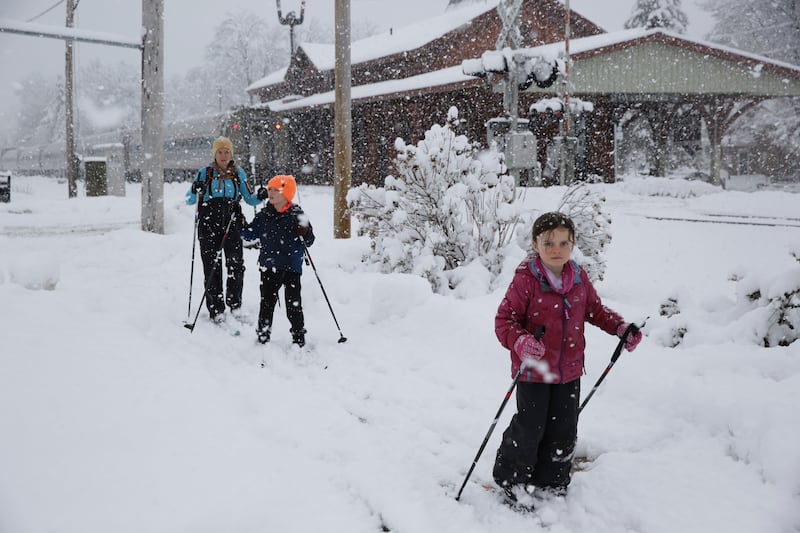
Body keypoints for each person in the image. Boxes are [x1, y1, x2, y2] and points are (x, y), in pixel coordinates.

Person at [492, 211, 642, 503]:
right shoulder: (527, 281)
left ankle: (552, 480)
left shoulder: (578, 278)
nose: (556, 249)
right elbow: (504, 321)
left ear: (573, 244)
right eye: (548, 243)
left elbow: (595, 311)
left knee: (563, 428)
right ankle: (513, 478)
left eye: (563, 243)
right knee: (530, 426)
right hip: (534, 371)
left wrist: (620, 327)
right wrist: (521, 341)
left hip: (569, 371)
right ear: (535, 244)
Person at [186, 136, 262, 322]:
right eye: (220, 151)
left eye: (226, 151)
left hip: (232, 222)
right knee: (212, 266)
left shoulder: (239, 173)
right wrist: (194, 189)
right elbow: (189, 198)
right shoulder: (205, 173)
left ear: (231, 153)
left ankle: (235, 304)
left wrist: (261, 196)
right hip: (208, 224)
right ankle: (216, 308)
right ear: (215, 153)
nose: (223, 155)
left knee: (236, 265)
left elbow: (249, 198)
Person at [239, 175, 315, 346]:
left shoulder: (297, 215)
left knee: (293, 305)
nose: (270, 192)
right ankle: (263, 334)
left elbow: (310, 241)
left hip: (291, 268)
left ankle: (298, 336)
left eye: (275, 190)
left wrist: (305, 232)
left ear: (286, 193)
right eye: (269, 189)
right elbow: (250, 234)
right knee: (267, 303)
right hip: (269, 266)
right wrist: (240, 223)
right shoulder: (264, 215)